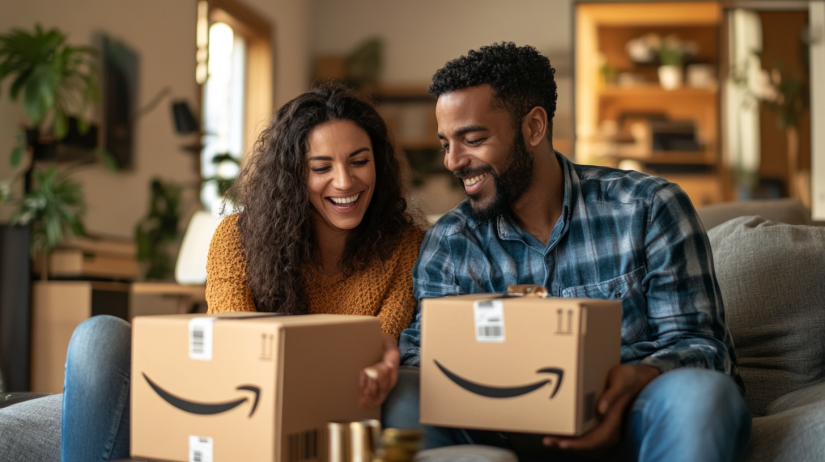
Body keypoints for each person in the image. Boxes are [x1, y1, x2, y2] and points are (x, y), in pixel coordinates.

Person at [388, 43, 751, 461]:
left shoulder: (648, 208)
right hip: (498, 431)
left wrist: (638, 377)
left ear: (534, 127)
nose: (453, 161)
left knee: (704, 396)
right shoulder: (451, 241)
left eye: (472, 139)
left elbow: (702, 346)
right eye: (444, 144)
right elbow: (423, 355)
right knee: (403, 394)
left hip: (631, 416)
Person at [60, 83, 425, 461]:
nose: (345, 182)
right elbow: (230, 348)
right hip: (234, 401)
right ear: (294, 174)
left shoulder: (407, 246)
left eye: (359, 161)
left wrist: (382, 363)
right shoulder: (236, 239)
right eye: (321, 167)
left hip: (325, 423)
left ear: (378, 163)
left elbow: (381, 340)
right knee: (98, 335)